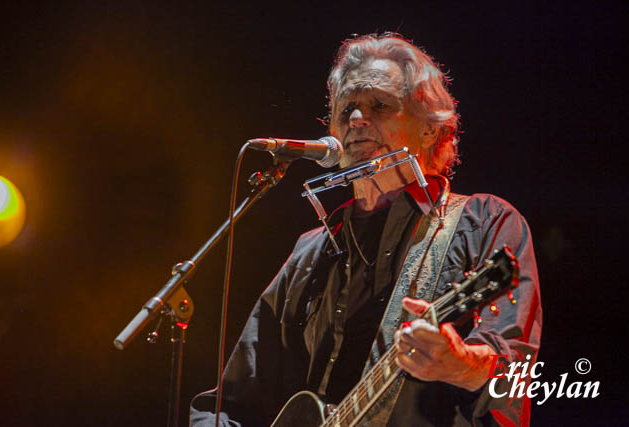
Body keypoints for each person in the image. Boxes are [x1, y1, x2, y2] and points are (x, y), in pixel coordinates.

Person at [191, 33, 542, 426]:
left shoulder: (485, 221)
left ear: (429, 129)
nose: (357, 119)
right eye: (347, 110)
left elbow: (514, 366)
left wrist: (461, 364)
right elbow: (228, 405)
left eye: (379, 105)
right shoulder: (310, 251)